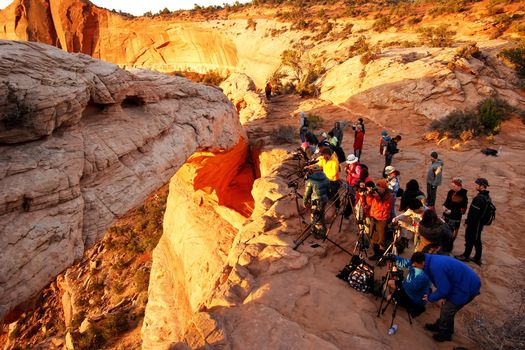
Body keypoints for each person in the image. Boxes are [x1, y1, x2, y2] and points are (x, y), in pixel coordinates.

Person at [419, 252, 481, 342]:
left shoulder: (435, 267)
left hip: (466, 287)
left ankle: (445, 334)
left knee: (447, 310)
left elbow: (444, 290)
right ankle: (442, 326)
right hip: (463, 282)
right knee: (448, 309)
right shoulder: (432, 261)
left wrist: (430, 297)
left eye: (416, 265)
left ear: (422, 263)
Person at [456, 178, 491, 266]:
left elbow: (473, 214)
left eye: (477, 185)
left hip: (475, 224)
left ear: (482, 186)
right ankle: (476, 257)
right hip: (479, 223)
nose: (475, 186)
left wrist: (468, 222)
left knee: (470, 238)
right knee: (476, 239)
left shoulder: (479, 198)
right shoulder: (487, 197)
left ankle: (466, 255)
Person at [366, 179, 393, 260]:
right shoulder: (376, 193)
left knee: (381, 239)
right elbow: (369, 203)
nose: (378, 189)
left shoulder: (389, 196)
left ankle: (382, 257)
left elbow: (384, 207)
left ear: (384, 188)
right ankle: (376, 254)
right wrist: (370, 195)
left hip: (382, 219)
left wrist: (378, 197)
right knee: (374, 237)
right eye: (377, 187)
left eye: (380, 188)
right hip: (374, 217)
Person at [303, 164, 330, 237]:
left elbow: (307, 193)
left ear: (313, 171)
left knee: (315, 216)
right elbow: (329, 190)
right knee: (321, 214)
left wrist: (304, 202)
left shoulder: (310, 180)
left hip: (316, 200)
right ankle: (323, 230)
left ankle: (319, 233)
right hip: (324, 199)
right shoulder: (326, 178)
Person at [442, 177, 468, 247]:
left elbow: (463, 211)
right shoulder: (450, 192)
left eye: (454, 186)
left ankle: (449, 247)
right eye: (452, 186)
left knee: (452, 235)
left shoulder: (463, 196)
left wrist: (452, 212)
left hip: (455, 219)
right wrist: (444, 206)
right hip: (446, 216)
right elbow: (446, 202)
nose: (452, 187)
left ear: (459, 186)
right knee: (443, 232)